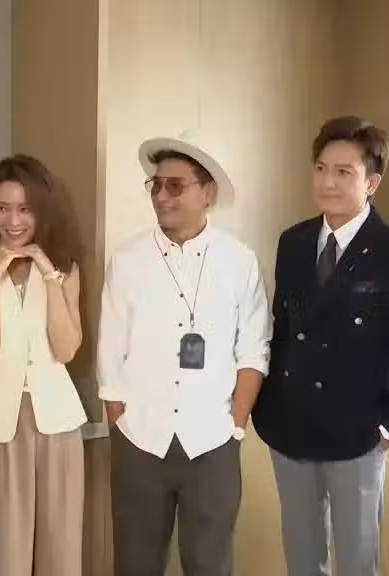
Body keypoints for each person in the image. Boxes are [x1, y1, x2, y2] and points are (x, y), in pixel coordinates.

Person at [252, 116, 389, 576]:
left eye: (344, 172)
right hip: (290, 429)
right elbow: (282, 331)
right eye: (321, 169)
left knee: (358, 563)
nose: (328, 182)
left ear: (371, 183)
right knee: (302, 560)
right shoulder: (294, 242)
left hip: (358, 436)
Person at [97, 134, 271, 576]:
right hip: (139, 440)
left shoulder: (239, 261)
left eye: (175, 186)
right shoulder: (128, 260)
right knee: (135, 565)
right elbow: (110, 349)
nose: (161, 196)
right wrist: (120, 422)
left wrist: (235, 424)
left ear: (207, 193)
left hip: (213, 441)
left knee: (210, 565)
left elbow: (253, 350)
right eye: (156, 185)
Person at [0, 155, 88, 576]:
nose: (12, 221)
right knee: (2, 557)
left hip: (59, 426)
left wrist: (49, 275)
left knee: (60, 556)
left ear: (42, 209)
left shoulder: (64, 268)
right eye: (2, 208)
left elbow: (67, 349)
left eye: (25, 209)